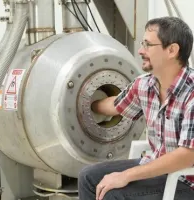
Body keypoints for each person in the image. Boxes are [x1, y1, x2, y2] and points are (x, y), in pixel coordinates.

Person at [78, 16, 194, 200]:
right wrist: (85, 103)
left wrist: (126, 176)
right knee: (88, 177)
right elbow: (115, 105)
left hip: (186, 179)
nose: (140, 50)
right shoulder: (145, 85)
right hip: (157, 166)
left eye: (148, 45)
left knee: (114, 194)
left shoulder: (191, 93)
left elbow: (187, 156)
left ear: (172, 50)